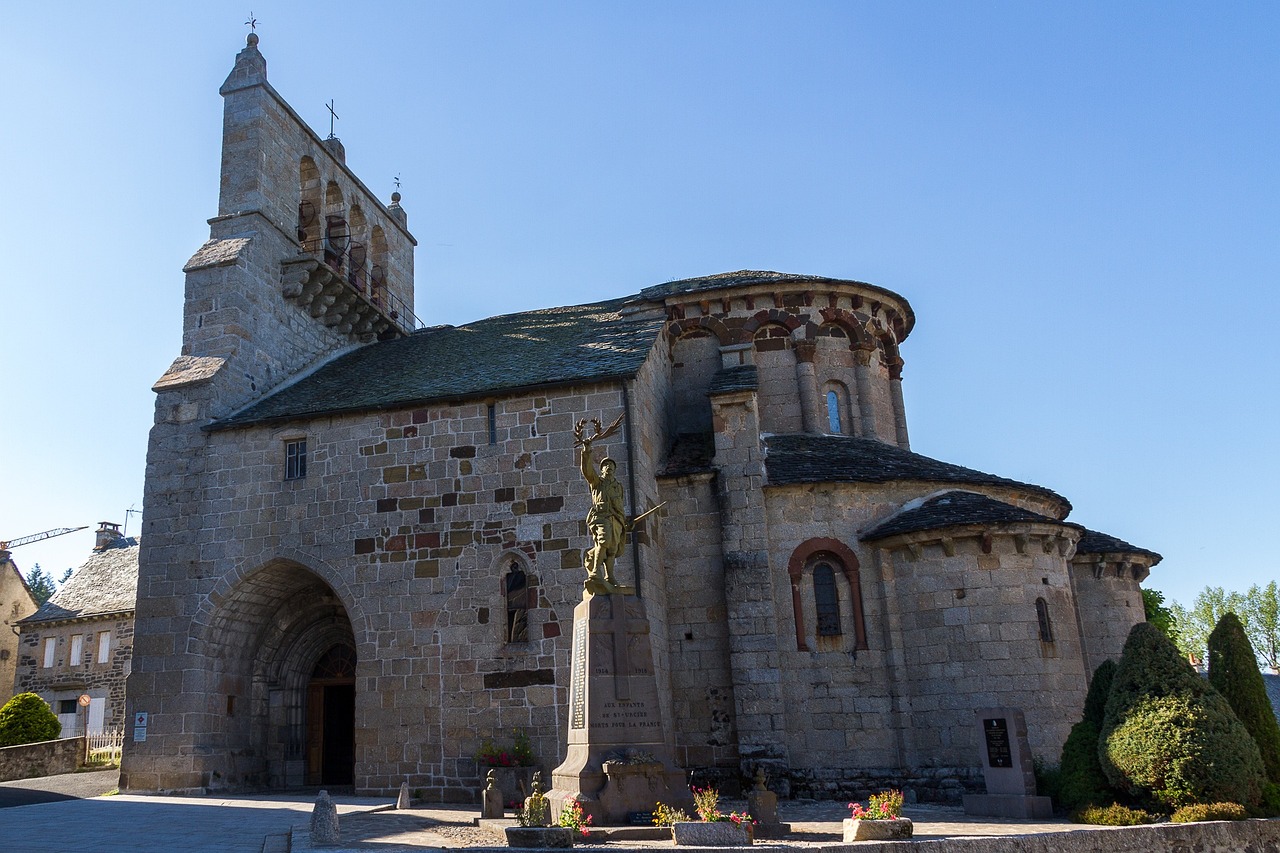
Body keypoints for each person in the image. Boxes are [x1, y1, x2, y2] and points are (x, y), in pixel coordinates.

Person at [579, 437, 626, 592]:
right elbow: (587, 470)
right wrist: (587, 450)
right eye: (605, 465)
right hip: (601, 517)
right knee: (604, 540)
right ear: (602, 469)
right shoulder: (597, 482)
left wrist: (624, 521)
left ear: (615, 469)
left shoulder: (618, 487)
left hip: (616, 519)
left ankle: (609, 576)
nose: (608, 467)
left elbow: (620, 506)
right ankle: (594, 571)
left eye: (611, 465)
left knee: (612, 548)